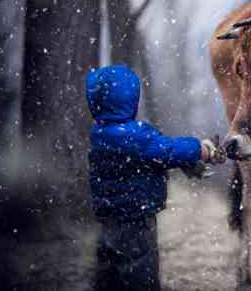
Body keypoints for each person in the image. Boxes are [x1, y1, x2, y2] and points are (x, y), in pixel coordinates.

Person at [85, 64, 226, 291]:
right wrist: (200, 149)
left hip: (109, 216)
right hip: (135, 217)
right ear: (130, 99)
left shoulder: (99, 133)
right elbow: (166, 150)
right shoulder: (134, 136)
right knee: (140, 271)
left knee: (109, 271)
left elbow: (155, 156)